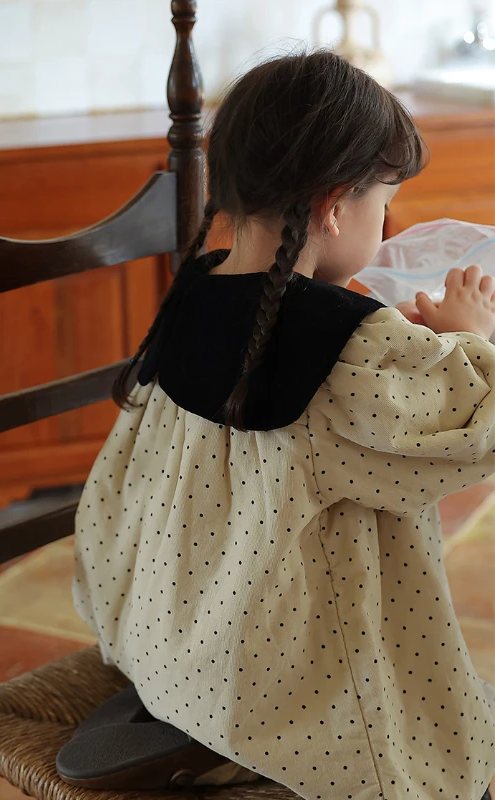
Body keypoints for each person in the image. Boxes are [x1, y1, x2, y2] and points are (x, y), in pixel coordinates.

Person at [73, 50, 495, 800]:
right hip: (278, 692)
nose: (386, 223)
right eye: (383, 204)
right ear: (333, 206)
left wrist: (382, 332)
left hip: (163, 643)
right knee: (447, 751)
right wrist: (469, 338)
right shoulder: (351, 349)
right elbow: (474, 427)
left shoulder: (198, 289)